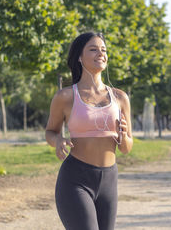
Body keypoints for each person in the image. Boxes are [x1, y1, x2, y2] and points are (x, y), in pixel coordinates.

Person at [45, 32, 133, 230]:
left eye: (103, 50)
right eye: (93, 49)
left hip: (109, 179)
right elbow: (50, 131)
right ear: (79, 56)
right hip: (76, 179)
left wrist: (123, 136)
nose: (100, 54)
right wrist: (58, 141)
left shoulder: (120, 98)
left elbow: (127, 148)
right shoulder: (66, 96)